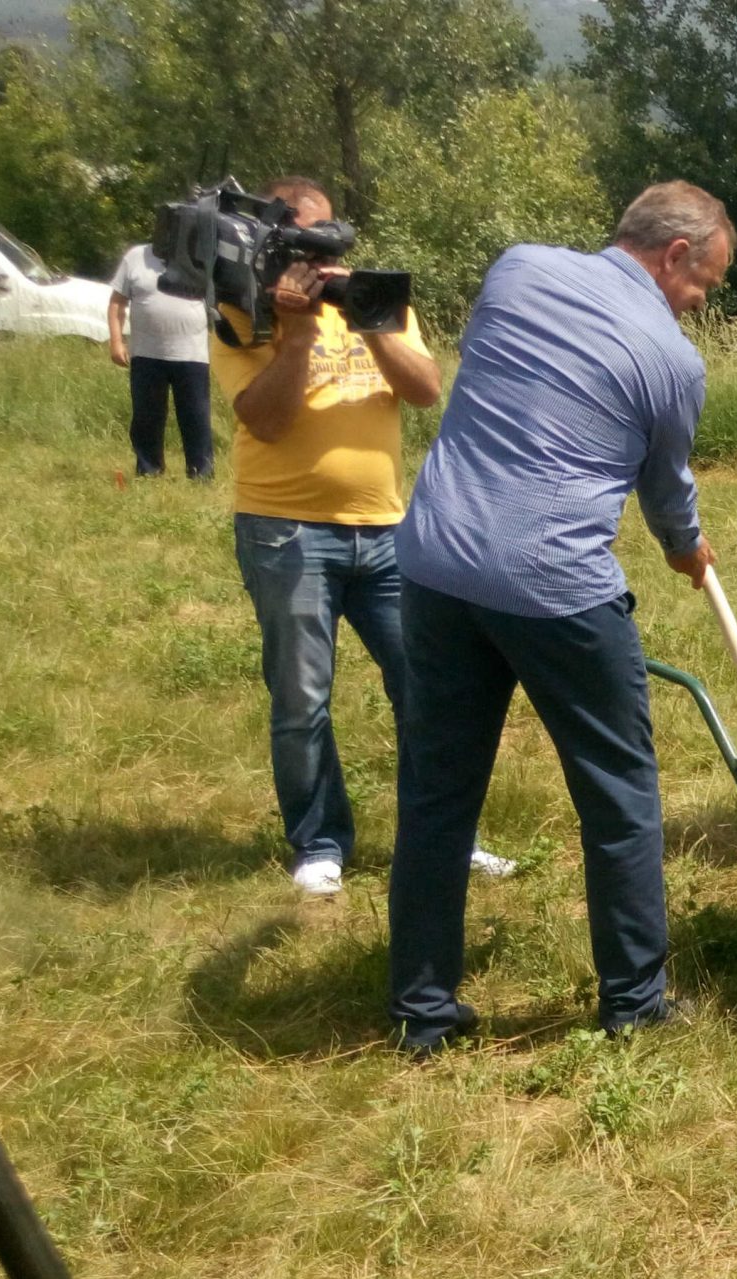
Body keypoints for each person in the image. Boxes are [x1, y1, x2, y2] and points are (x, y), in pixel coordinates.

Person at [388, 181, 732, 1056]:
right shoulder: (673, 361)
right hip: (554, 584)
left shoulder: (516, 269)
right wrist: (685, 548)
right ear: (676, 254)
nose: (698, 306)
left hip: (433, 561)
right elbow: (666, 489)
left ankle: (421, 1011)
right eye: (704, 286)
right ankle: (635, 1003)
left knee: (436, 791)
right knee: (619, 794)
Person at [210, 176, 506, 899]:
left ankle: (445, 834)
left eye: (324, 239)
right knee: (301, 695)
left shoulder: (374, 300)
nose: (314, 257)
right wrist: (300, 337)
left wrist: (368, 319)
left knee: (426, 686)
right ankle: (319, 841)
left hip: (386, 529)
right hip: (284, 529)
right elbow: (266, 420)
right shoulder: (239, 307)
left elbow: (426, 388)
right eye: (299, 244)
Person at [106, 239, 212, 480]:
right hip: (146, 353)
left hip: (192, 353)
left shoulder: (200, 257)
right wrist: (116, 341)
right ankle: (148, 471)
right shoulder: (135, 257)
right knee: (146, 417)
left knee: (196, 416)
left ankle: (201, 474)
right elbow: (117, 303)